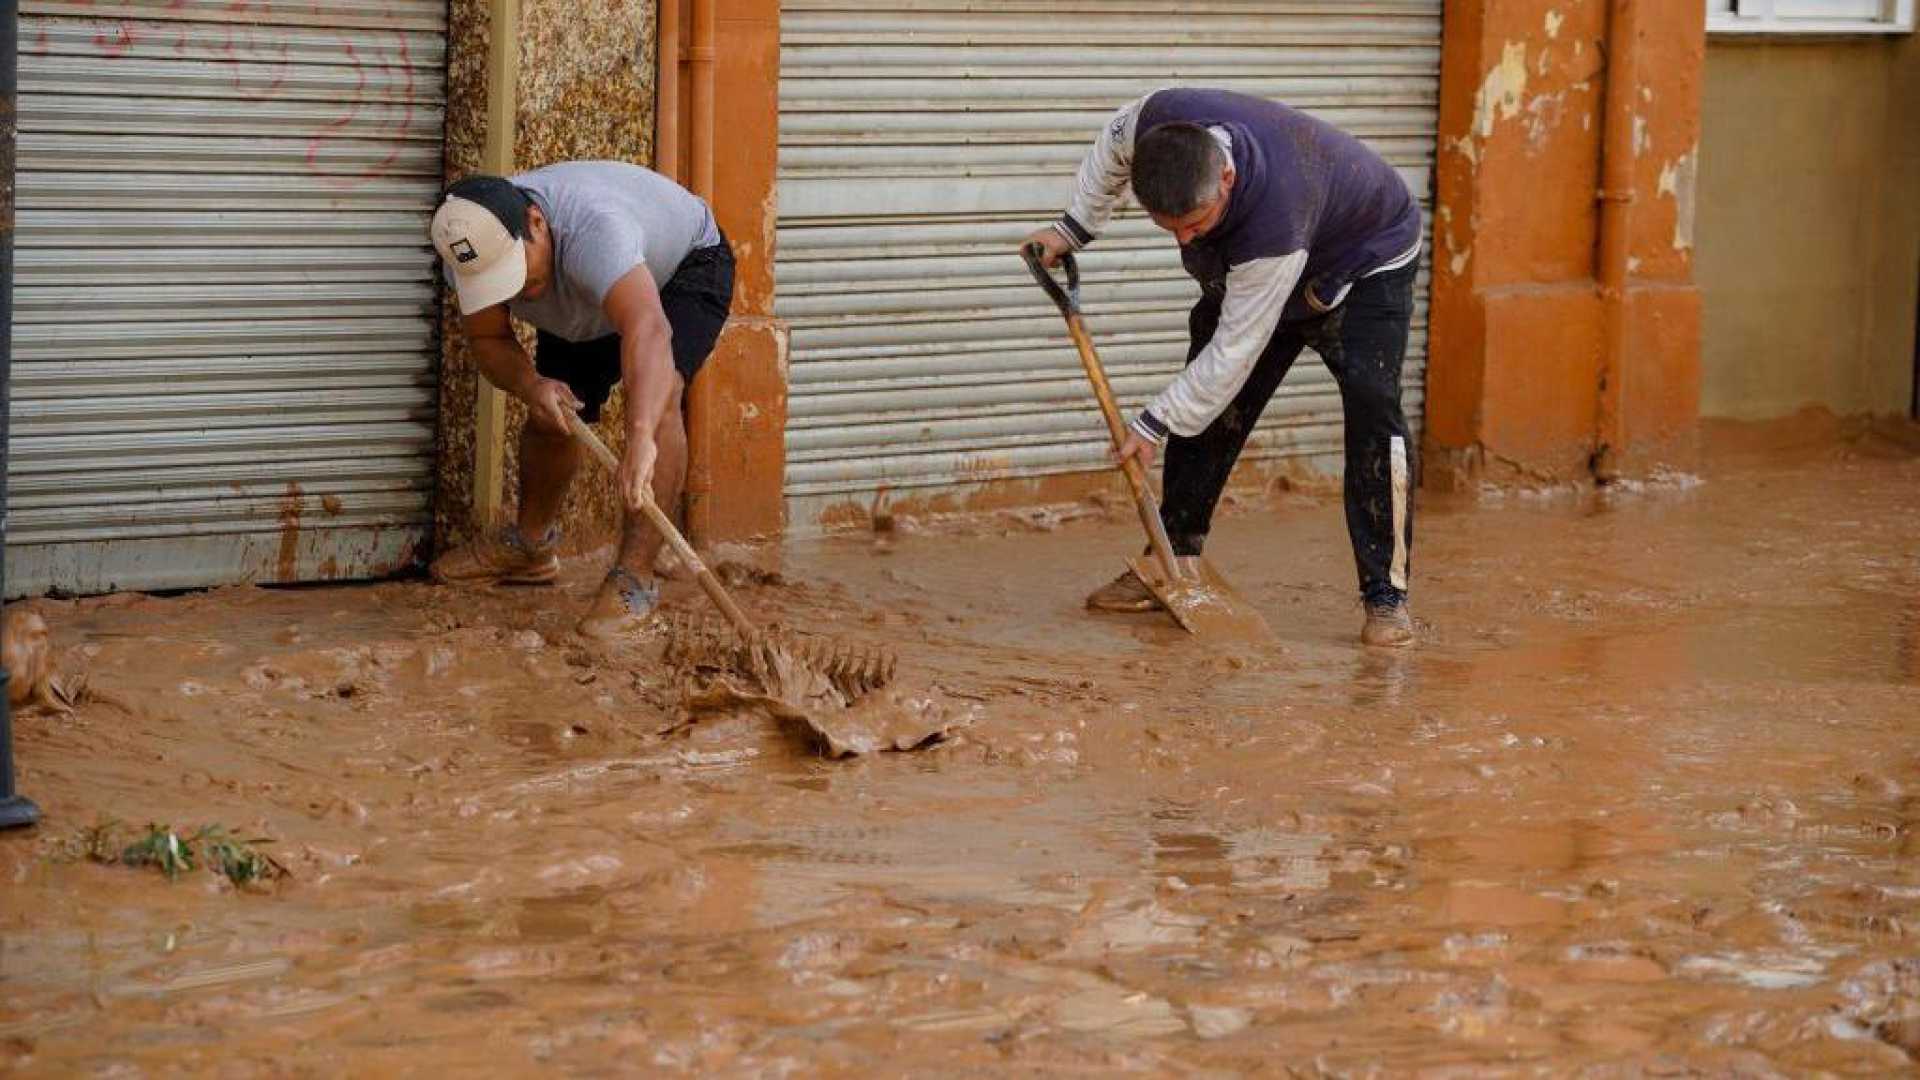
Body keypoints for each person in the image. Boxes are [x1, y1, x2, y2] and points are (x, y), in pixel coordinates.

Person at [1024, 88, 1422, 647]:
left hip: (1363, 261)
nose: (1185, 240)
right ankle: (1173, 562)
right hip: (1259, 264)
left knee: (1374, 414)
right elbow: (1110, 148)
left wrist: (1152, 422)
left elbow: (1236, 349)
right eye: (1170, 227)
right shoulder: (1153, 121)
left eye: (1195, 222)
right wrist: (1073, 228)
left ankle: (1386, 598)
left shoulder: (1274, 222)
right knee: (1208, 410)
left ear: (1227, 182)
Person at [428, 161, 734, 639]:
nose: (516, 294)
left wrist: (639, 438)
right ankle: (530, 547)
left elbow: (648, 329)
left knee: (660, 402)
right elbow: (489, 341)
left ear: (536, 223)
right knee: (553, 410)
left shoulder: (597, 231)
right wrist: (533, 386)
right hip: (581, 298)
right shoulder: (469, 251)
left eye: (516, 274)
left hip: (681, 268)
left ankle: (635, 578)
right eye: (499, 284)